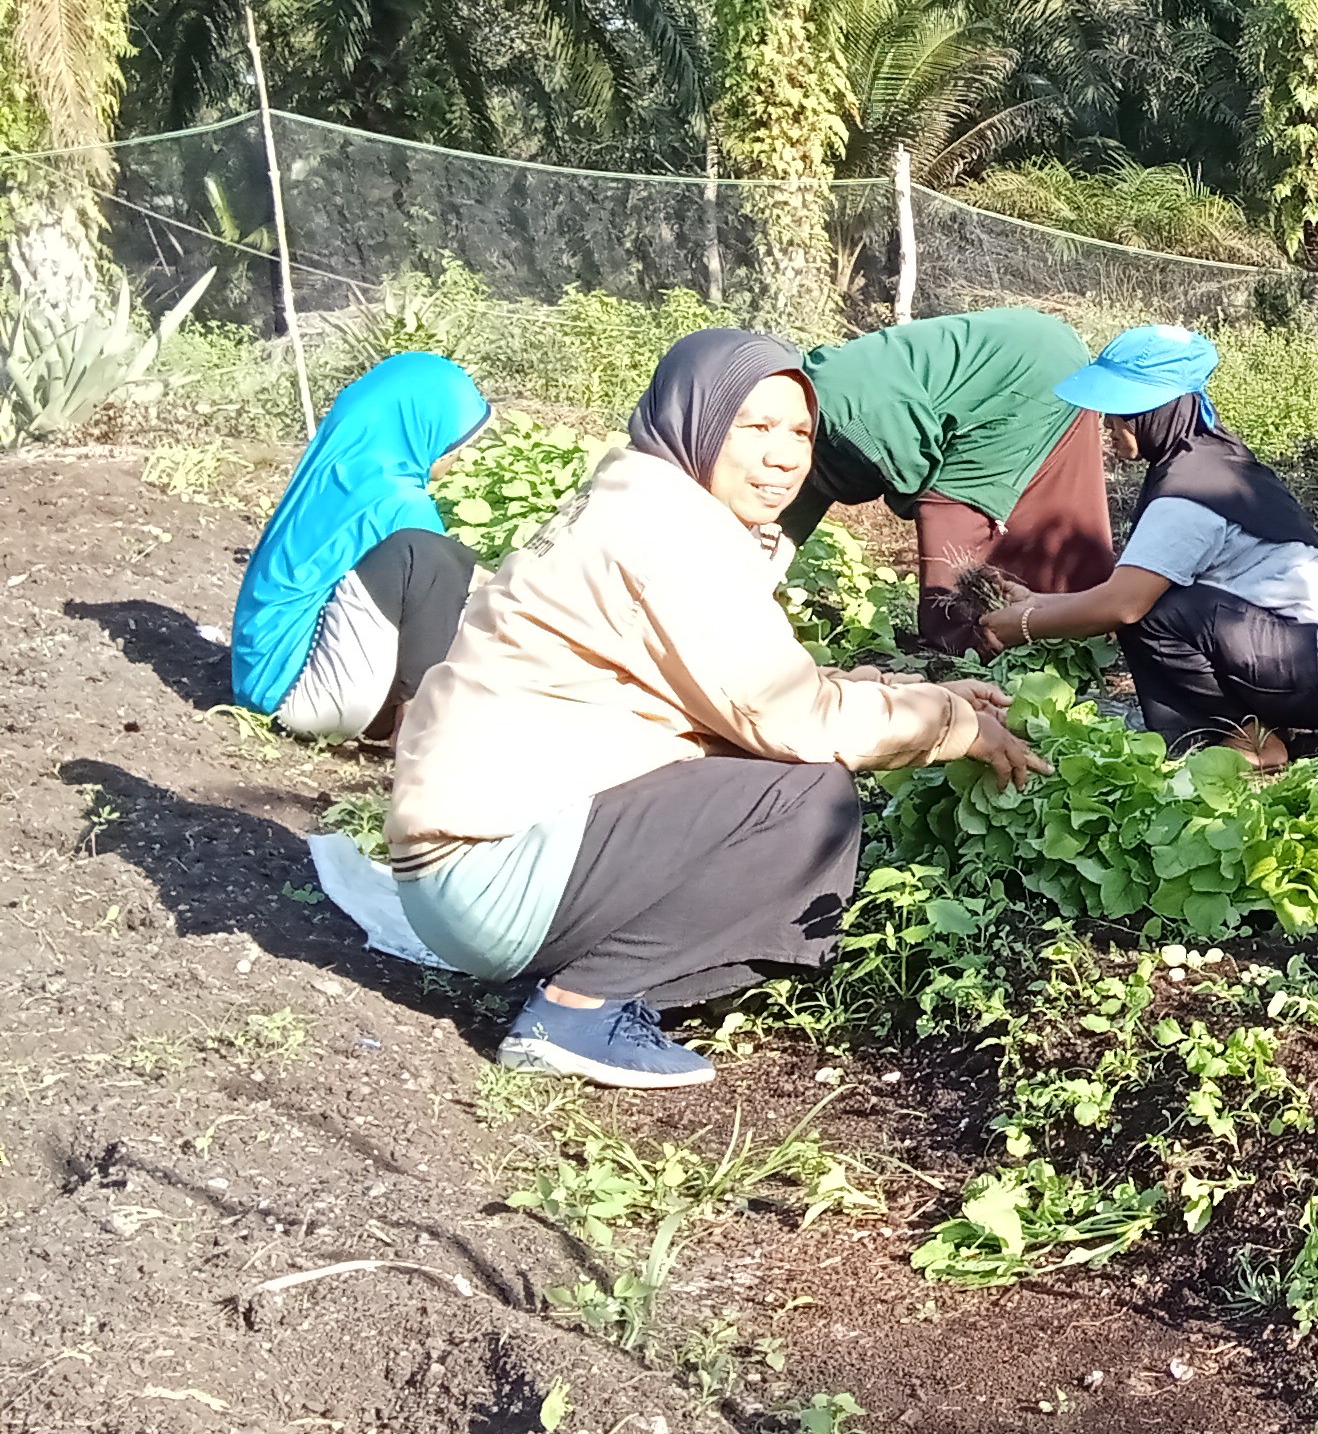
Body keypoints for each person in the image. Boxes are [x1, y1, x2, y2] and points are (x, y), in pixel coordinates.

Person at [389, 328, 1040, 1089]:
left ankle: (592, 980)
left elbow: (732, 686)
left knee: (773, 769)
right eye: (754, 427)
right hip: (488, 874)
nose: (785, 456)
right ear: (695, 417)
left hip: (478, 863)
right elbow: (794, 720)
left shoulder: (641, 500)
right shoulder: (666, 534)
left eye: (800, 431)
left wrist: (902, 695)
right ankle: (576, 1012)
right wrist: (955, 727)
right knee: (808, 800)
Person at [978, 325, 1318, 768]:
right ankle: (1255, 728)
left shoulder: (1188, 497)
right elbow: (1131, 585)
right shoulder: (1209, 457)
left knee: (1150, 617)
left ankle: (1251, 745)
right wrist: (1041, 601)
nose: (1109, 424)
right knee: (1156, 604)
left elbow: (1123, 605)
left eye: (1119, 411)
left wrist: (1024, 625)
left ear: (1156, 411)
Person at [776, 307, 1112, 652]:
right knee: (1037, 511)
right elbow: (779, 525)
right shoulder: (800, 409)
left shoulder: (842, 413)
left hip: (1024, 374)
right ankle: (1061, 626)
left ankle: (963, 651)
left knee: (952, 514)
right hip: (1037, 350)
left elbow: (913, 474)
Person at [231, 351, 491, 742]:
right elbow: (453, 597)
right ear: (423, 428)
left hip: (261, 675)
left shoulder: (341, 468)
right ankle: (420, 736)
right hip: (302, 691)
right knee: (432, 561)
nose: (457, 455)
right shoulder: (399, 501)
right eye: (455, 443)